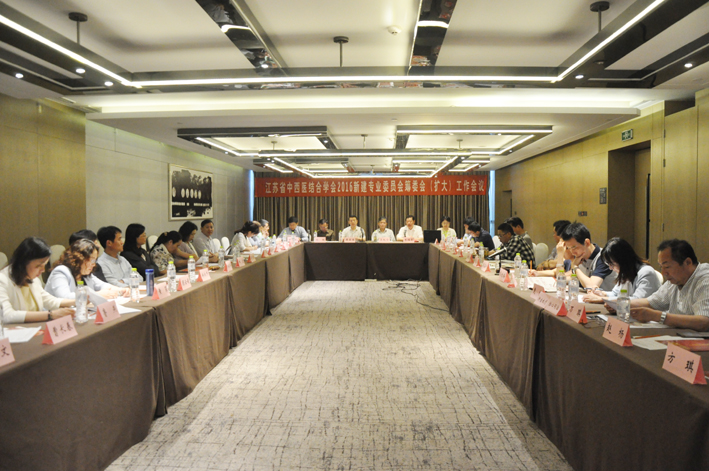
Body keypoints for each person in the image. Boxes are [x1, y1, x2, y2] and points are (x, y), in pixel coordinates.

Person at [630, 239, 709, 331]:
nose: (663, 273)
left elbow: (704, 322)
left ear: (687, 262)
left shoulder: (705, 280)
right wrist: (621, 304)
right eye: (661, 267)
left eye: (667, 267)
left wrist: (659, 316)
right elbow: (650, 303)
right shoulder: (675, 281)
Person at [0, 237, 75, 324]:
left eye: (44, 265)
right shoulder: (2, 280)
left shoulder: (32, 279)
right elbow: (7, 315)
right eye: (39, 266)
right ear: (23, 262)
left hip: (34, 328)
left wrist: (79, 301)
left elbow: (50, 301)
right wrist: (50, 315)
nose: (43, 270)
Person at [582, 238, 661, 304]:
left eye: (612, 264)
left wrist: (603, 299)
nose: (610, 268)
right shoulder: (625, 272)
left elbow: (638, 300)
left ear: (623, 260)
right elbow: (616, 294)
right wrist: (602, 293)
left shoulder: (646, 273)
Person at [46, 239, 125, 300]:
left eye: (95, 260)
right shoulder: (61, 272)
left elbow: (103, 285)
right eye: (92, 260)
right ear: (80, 258)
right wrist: (97, 294)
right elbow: (64, 297)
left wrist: (121, 290)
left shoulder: (85, 274)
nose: (94, 264)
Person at [561, 222, 616, 290]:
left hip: (607, 296)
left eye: (574, 247)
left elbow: (591, 286)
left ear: (587, 242)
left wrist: (575, 267)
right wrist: (561, 281)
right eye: (569, 248)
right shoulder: (580, 256)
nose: (572, 252)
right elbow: (573, 278)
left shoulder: (604, 257)